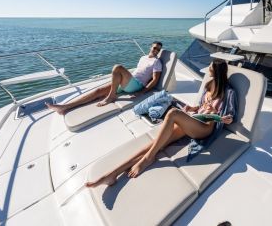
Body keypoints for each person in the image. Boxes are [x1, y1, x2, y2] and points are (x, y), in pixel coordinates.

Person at [85, 59, 235, 187]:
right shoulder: (208, 85)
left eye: (210, 67)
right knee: (155, 144)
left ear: (216, 71)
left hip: (206, 128)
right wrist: (193, 108)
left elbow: (229, 117)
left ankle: (148, 159)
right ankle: (112, 174)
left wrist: (215, 114)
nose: (208, 68)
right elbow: (199, 106)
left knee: (173, 113)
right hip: (195, 119)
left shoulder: (229, 92)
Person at [46, 41, 164, 115]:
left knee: (117, 67)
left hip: (137, 85)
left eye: (158, 49)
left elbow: (155, 80)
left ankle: (111, 96)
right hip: (129, 82)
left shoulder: (156, 62)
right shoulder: (143, 58)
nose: (155, 50)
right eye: (154, 47)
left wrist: (142, 92)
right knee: (98, 91)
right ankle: (64, 107)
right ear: (150, 47)